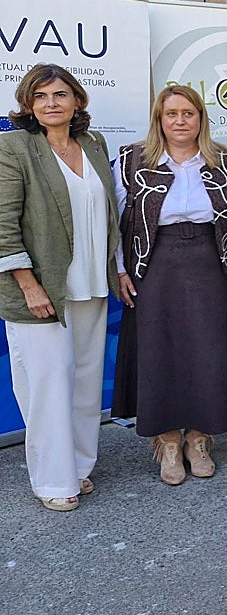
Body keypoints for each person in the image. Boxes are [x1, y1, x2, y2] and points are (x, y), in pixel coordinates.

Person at [111, 84, 227, 485]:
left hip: (208, 265)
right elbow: (117, 224)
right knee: (159, 352)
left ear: (201, 118)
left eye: (188, 113)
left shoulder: (225, 162)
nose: (180, 121)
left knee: (206, 351)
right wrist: (120, 270)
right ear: (159, 119)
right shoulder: (132, 161)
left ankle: (199, 439)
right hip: (153, 265)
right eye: (172, 114)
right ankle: (167, 441)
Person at [0, 64, 121, 511]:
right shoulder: (14, 147)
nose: (51, 103)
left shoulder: (93, 143)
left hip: (91, 283)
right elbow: (2, 225)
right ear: (29, 104)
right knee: (47, 386)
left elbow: (106, 211)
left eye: (60, 94)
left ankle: (78, 465)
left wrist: (117, 269)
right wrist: (29, 285)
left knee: (85, 383)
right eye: (41, 96)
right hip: (41, 290)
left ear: (77, 100)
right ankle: (53, 481)